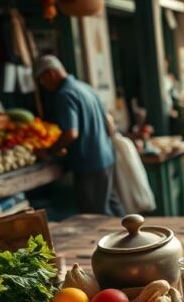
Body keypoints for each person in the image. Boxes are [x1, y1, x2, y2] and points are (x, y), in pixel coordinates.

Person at [35, 55, 123, 216]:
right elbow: (107, 120)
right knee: (112, 208)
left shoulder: (64, 95)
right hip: (106, 156)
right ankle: (132, 238)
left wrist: (49, 151)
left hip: (89, 163)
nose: (42, 83)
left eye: (42, 78)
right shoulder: (85, 87)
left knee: (94, 217)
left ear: (52, 73)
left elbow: (70, 133)